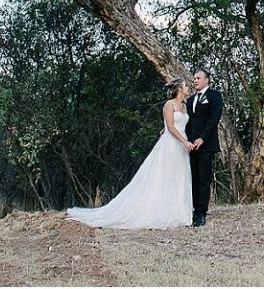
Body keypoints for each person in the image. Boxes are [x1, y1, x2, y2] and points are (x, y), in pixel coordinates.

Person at [67, 79, 193, 229]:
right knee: (165, 175)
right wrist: (184, 141)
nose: (188, 88)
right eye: (186, 86)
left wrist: (182, 139)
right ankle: (160, 211)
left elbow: (177, 125)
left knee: (179, 175)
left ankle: (178, 211)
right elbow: (171, 127)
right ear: (179, 89)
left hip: (181, 145)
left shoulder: (184, 106)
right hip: (171, 144)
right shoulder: (169, 105)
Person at [185, 68, 224, 226]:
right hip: (191, 146)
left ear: (206, 80)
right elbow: (186, 121)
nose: (195, 80)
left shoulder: (214, 96)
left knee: (203, 179)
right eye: (194, 78)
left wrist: (202, 138)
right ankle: (194, 211)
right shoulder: (190, 100)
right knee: (193, 178)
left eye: (198, 78)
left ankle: (201, 213)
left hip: (207, 145)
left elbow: (214, 119)